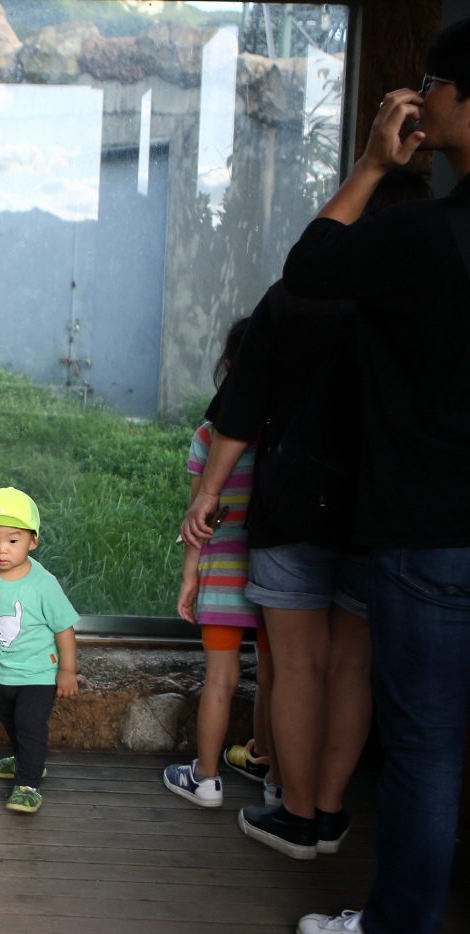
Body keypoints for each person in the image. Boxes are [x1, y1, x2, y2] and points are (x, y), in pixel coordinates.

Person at [276, 19, 470, 934]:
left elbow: (309, 270)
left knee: (426, 752)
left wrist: (369, 166)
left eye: (432, 84)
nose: (421, 97)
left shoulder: (429, 235)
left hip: (432, 528)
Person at [181, 168, 432, 865]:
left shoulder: (298, 295)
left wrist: (209, 492)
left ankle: (294, 814)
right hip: (381, 506)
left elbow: (242, 404)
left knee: (297, 663)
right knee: (352, 663)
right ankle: (328, 808)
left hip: (295, 501)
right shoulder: (421, 298)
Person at [165, 317, 280, 810]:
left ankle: (207, 778)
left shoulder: (210, 435)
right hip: (278, 571)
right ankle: (275, 777)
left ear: (230, 366)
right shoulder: (286, 430)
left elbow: (200, 517)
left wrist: (189, 577)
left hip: (222, 574)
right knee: (277, 677)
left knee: (220, 679)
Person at [0, 488, 79, 814]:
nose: (1, 549)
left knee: (29, 724)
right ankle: (24, 759)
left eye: (13, 540)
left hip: (39, 672)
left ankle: (28, 784)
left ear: (32, 541)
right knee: (8, 717)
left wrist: (67, 670)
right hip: (1, 669)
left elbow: (64, 628)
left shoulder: (43, 584)